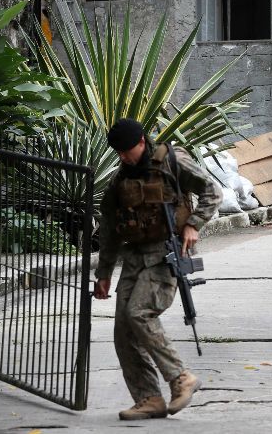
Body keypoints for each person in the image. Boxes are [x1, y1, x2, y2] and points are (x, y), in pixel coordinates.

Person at [93, 118, 223, 420]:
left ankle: (181, 378)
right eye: (119, 153)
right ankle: (149, 398)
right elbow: (110, 229)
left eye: (128, 151)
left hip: (167, 252)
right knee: (123, 331)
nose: (124, 157)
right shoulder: (119, 181)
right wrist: (103, 273)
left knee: (139, 312)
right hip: (134, 257)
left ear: (141, 141)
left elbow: (211, 191)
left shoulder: (171, 161)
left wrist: (193, 224)